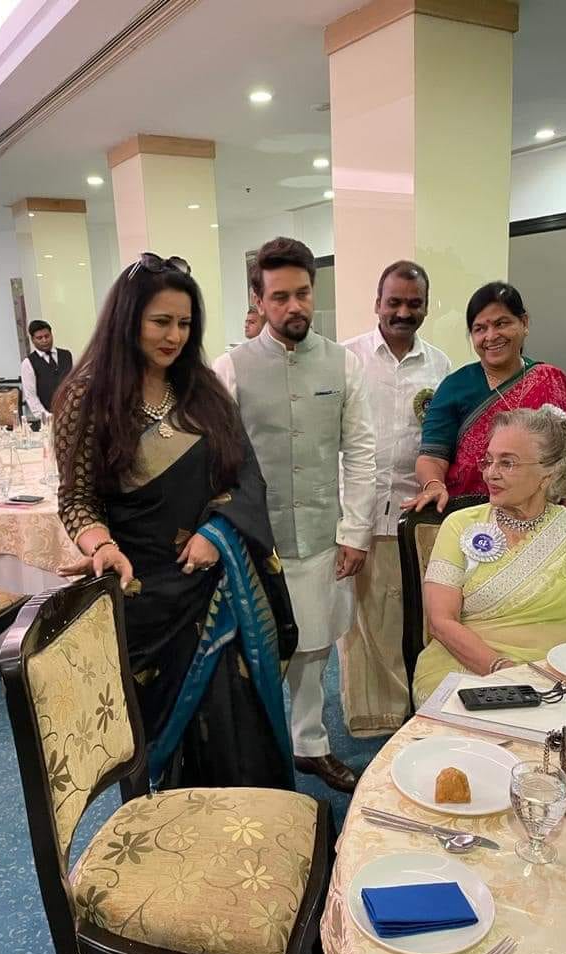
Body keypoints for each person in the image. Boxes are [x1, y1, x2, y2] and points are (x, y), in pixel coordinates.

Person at [53, 253, 297, 792]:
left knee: (236, 731)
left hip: (215, 584)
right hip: (143, 590)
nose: (175, 336)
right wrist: (99, 545)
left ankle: (246, 832)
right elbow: (76, 496)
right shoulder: (86, 397)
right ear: (128, 319)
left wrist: (218, 530)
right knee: (159, 735)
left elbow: (246, 475)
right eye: (161, 321)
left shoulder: (201, 389)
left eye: (185, 323)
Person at [214, 237, 376, 792]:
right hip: (256, 540)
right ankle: (257, 756)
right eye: (279, 297)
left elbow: (361, 451)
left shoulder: (343, 363)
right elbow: (216, 464)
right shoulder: (229, 368)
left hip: (323, 533)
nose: (294, 307)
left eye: (302, 293)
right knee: (256, 651)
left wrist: (356, 531)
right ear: (258, 300)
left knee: (315, 644)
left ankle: (310, 744)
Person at [415, 407, 566, 700]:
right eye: (489, 461)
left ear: (549, 472)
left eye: (507, 463)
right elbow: (441, 622)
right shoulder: (459, 525)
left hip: (562, 678)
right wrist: (506, 671)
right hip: (465, 668)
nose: (491, 473)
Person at [339, 260, 451, 735]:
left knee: (412, 615)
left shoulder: (440, 365)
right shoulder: (347, 358)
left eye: (414, 303)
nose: (403, 312)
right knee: (362, 620)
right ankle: (372, 718)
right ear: (377, 304)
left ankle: (413, 706)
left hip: (415, 512)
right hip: (358, 511)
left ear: (426, 307)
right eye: (394, 302)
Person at [407, 281, 566, 519]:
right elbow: (432, 455)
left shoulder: (553, 381)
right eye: (480, 328)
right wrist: (433, 484)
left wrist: (563, 523)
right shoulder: (454, 387)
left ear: (524, 323)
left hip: (545, 520)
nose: (491, 336)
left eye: (501, 323)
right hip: (472, 521)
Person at [21, 320, 73, 418]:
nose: (44, 340)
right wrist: (47, 417)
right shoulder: (28, 363)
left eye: (47, 336)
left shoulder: (66, 355)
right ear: (33, 340)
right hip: (47, 416)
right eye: (39, 338)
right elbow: (31, 396)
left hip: (70, 413)